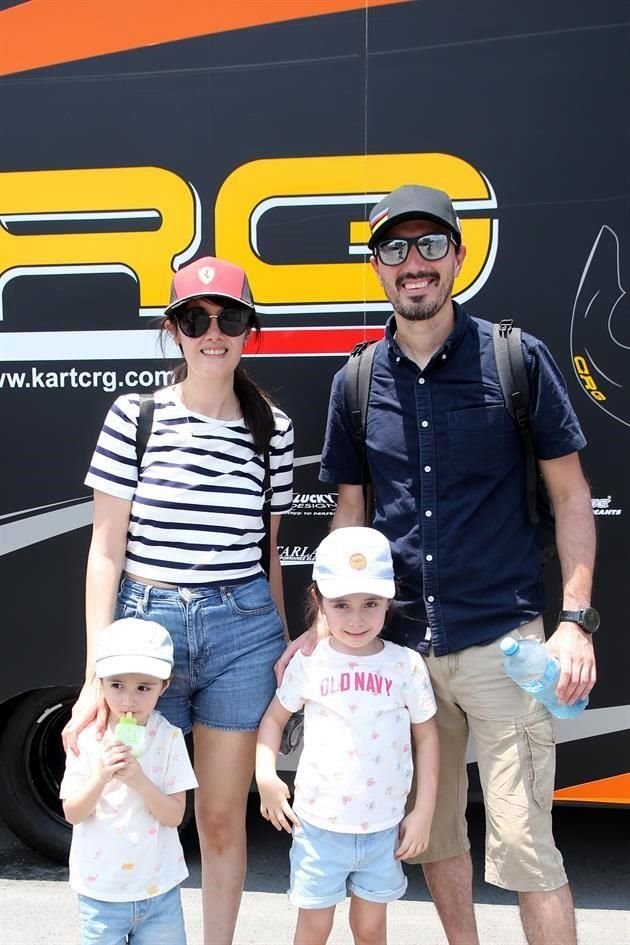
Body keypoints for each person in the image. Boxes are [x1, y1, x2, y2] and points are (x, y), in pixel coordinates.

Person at [297, 185, 596, 945]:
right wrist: (319, 625)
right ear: (378, 268)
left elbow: (570, 497)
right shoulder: (356, 383)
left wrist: (577, 622)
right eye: (395, 248)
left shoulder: (515, 359)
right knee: (431, 837)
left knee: (529, 847)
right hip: (402, 657)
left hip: (504, 645)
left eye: (431, 244)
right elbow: (350, 519)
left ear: (460, 256)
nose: (414, 262)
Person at [62, 255, 294, 945]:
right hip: (144, 633)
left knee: (220, 819)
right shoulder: (134, 417)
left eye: (229, 318)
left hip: (242, 635)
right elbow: (106, 550)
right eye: (196, 319)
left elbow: (267, 551)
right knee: (134, 804)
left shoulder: (272, 430)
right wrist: (91, 676)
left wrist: (279, 648)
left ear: (249, 328)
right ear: (174, 329)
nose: (213, 333)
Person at [256, 527, 439, 945]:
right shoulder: (310, 662)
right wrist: (266, 777)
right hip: (318, 828)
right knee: (314, 927)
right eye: (342, 605)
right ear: (318, 601)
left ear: (388, 601)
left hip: (383, 828)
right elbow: (272, 721)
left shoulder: (406, 665)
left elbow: (427, 738)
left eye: (370, 604)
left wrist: (423, 811)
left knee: (371, 928)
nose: (357, 619)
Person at [60, 618, 198, 945]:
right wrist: (100, 776)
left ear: (163, 686)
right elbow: (73, 813)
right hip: (100, 894)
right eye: (117, 685)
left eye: (143, 687)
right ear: (101, 683)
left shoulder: (169, 738)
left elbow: (174, 815)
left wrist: (140, 781)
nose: (128, 701)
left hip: (158, 891)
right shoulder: (86, 739)